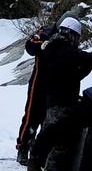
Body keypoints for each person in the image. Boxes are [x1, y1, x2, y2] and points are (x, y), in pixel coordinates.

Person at [26, 16, 92, 170]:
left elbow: (73, 75)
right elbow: (76, 57)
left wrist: (88, 66)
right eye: (77, 37)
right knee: (59, 144)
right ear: (71, 34)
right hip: (60, 103)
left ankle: (35, 161)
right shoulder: (61, 47)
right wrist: (91, 57)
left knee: (49, 137)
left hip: (55, 101)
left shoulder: (55, 47)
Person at [16, 21, 57, 164]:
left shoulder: (70, 38)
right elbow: (30, 46)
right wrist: (42, 44)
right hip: (38, 83)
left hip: (54, 85)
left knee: (48, 119)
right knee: (31, 116)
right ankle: (22, 148)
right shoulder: (46, 32)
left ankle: (39, 151)